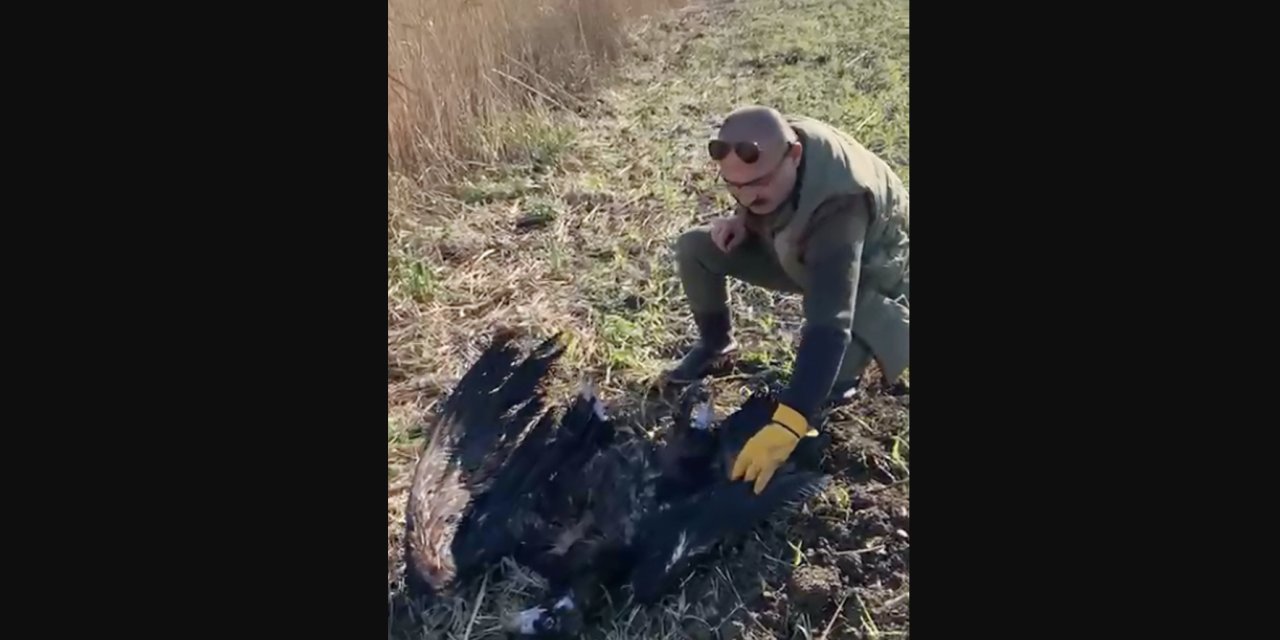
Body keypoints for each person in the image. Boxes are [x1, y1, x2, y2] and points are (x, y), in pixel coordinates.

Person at [668, 105, 910, 494]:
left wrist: (789, 422)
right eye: (735, 186)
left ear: (793, 155)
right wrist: (741, 219)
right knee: (696, 247)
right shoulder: (770, 151)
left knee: (829, 384)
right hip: (793, 244)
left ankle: (874, 342)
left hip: (868, 266)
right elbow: (751, 184)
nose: (747, 195)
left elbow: (830, 319)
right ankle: (716, 344)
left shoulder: (840, 204)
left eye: (757, 184)